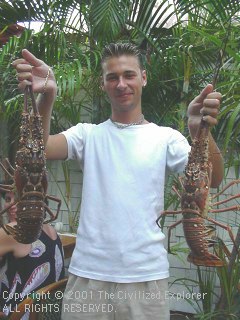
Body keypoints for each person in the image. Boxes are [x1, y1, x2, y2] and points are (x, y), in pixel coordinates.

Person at [12, 43, 224, 320]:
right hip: (88, 276)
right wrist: (47, 97)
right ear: (103, 84)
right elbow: (36, 148)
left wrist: (200, 133)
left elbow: (214, 179)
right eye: (112, 77)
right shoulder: (87, 135)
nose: (121, 83)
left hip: (145, 279)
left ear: (144, 78)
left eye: (129, 75)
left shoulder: (167, 138)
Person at [0, 189, 65, 318]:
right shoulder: (51, 230)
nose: (12, 206)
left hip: (18, 313)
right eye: (8, 199)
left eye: (19, 200)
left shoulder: (13, 231)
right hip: (46, 314)